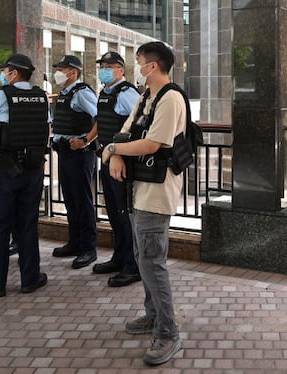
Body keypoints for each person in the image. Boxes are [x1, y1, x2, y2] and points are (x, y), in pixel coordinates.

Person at [101, 41, 185, 366]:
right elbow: (124, 132)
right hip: (138, 189)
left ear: (152, 66)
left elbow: (152, 144)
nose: (137, 68)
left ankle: (167, 331)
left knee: (152, 260)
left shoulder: (170, 97)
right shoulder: (147, 97)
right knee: (142, 256)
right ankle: (153, 316)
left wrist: (113, 151)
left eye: (139, 62)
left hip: (156, 191)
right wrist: (115, 151)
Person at [0, 53, 50, 297]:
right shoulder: (42, 97)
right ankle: (30, 279)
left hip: (6, 169)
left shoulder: (0, 96)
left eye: (5, 70)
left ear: (14, 73)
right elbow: (46, 128)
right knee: (28, 224)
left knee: (0, 225)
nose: (3, 74)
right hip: (33, 169)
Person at [90, 51, 141, 287]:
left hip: (122, 163)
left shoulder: (127, 93)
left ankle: (133, 266)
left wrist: (119, 153)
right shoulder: (105, 93)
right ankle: (119, 257)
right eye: (102, 66)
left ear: (121, 70)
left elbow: (137, 126)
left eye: (109, 66)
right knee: (113, 212)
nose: (104, 70)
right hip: (107, 159)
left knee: (124, 214)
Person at [50, 54, 99, 269]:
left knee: (82, 199)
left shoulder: (82, 93)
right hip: (65, 152)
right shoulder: (64, 93)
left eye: (62, 69)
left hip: (80, 154)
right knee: (70, 198)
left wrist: (86, 140)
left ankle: (88, 248)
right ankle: (75, 242)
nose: (58, 73)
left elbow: (100, 118)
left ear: (73, 72)